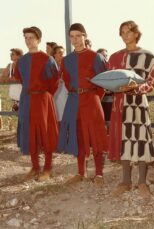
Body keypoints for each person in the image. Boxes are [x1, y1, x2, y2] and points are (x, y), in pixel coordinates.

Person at [108, 20, 154, 198]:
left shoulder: (147, 56)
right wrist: (114, 87)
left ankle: (142, 182)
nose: (125, 35)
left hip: (137, 103)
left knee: (141, 139)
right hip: (120, 105)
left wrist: (134, 89)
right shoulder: (114, 57)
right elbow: (108, 82)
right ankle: (125, 181)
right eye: (122, 32)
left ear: (136, 33)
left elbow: (152, 82)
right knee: (124, 140)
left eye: (129, 31)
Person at [58, 23, 107, 186]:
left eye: (78, 35)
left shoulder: (96, 57)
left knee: (96, 136)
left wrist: (92, 97)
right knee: (78, 137)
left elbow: (102, 83)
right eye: (72, 36)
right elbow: (66, 82)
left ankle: (99, 173)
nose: (75, 39)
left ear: (85, 36)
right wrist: (77, 94)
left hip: (91, 100)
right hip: (73, 101)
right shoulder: (66, 60)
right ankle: (81, 172)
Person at [14, 26, 59, 181]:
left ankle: (47, 168)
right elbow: (22, 79)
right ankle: (35, 167)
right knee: (30, 132)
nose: (28, 41)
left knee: (45, 133)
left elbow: (54, 82)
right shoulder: (21, 61)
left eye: (31, 37)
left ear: (38, 39)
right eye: (26, 38)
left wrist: (43, 95)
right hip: (27, 99)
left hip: (42, 100)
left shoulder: (47, 59)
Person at [0, 48, 23, 129]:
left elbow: (21, 78)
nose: (10, 55)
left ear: (19, 56)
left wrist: (11, 79)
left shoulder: (23, 65)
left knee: (24, 119)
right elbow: (2, 78)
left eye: (13, 54)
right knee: (15, 118)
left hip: (23, 98)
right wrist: (8, 78)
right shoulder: (10, 66)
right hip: (14, 98)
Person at [52, 45, 67, 124]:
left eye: (63, 53)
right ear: (54, 54)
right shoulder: (50, 67)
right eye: (60, 53)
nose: (62, 55)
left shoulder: (67, 66)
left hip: (65, 94)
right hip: (55, 95)